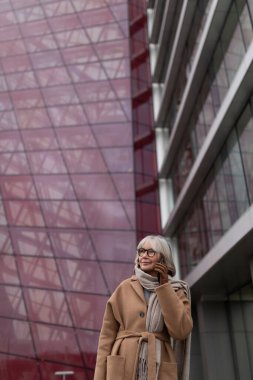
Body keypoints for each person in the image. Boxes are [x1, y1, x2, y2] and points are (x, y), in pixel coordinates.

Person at [94, 235, 193, 380]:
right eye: (141, 251)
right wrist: (99, 377)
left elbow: (181, 331)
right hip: (122, 365)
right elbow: (106, 338)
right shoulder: (124, 288)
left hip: (159, 367)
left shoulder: (176, 291)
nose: (144, 256)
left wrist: (165, 286)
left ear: (162, 258)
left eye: (150, 252)